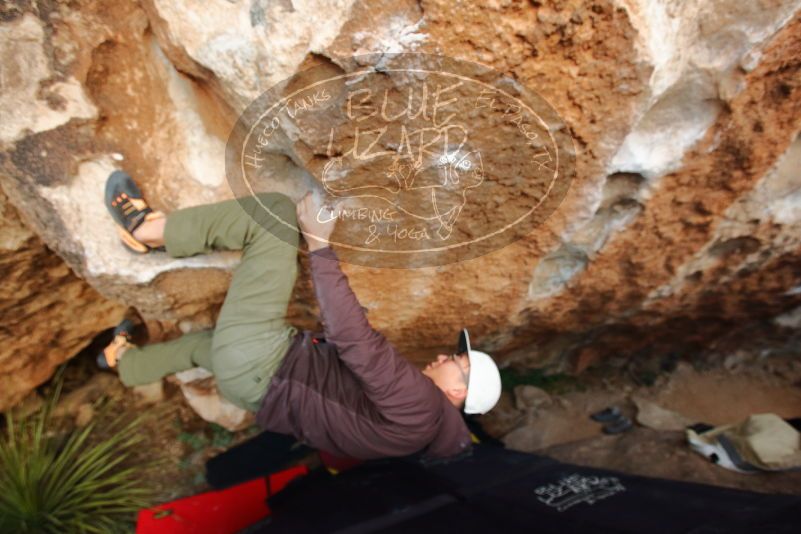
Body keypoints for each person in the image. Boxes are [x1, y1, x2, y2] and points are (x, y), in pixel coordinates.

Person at [100, 170, 502, 460]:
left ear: (457, 393)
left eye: (456, 362)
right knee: (203, 347)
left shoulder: (417, 402)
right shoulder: (415, 437)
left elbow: (353, 339)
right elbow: (340, 405)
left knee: (273, 216)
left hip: (262, 361)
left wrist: (319, 245)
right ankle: (126, 362)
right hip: (253, 391)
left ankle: (145, 231)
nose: (445, 358)